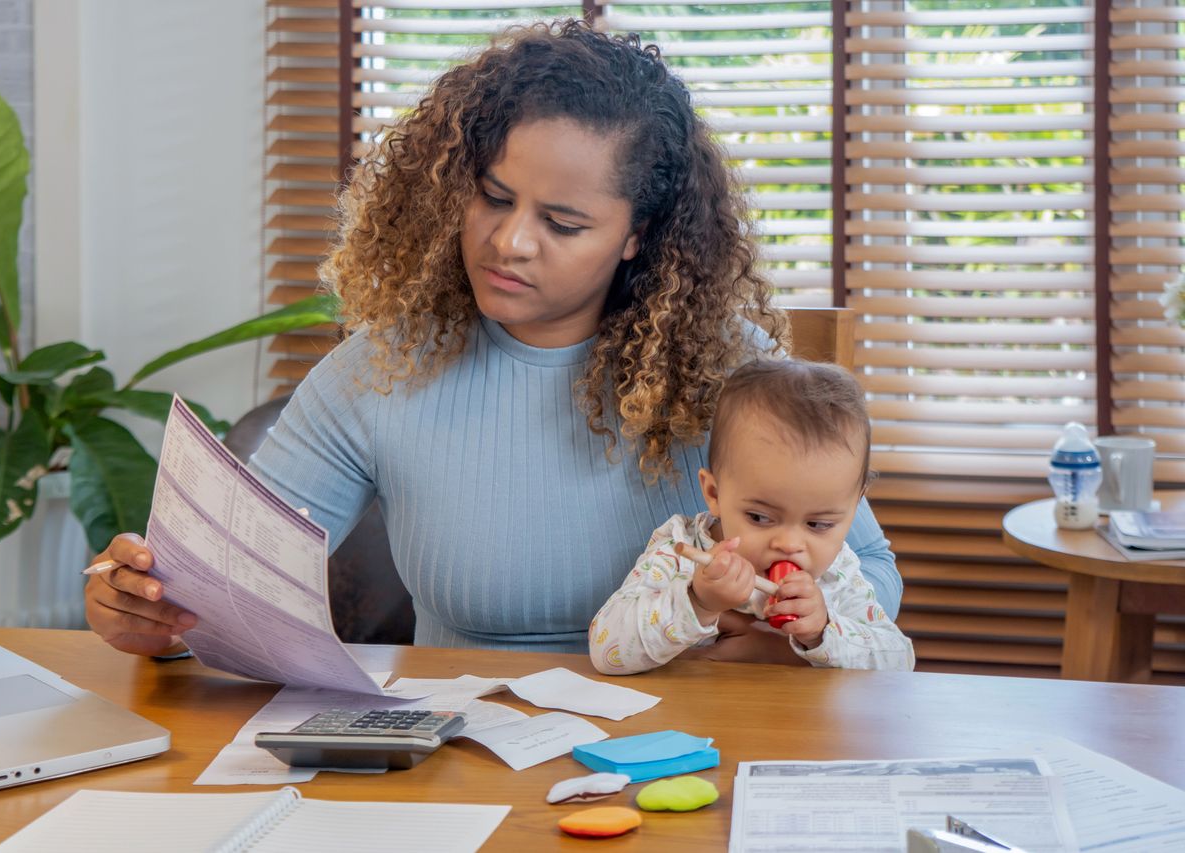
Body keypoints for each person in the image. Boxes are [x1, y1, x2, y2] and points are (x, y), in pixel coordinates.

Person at [84, 19, 902, 660]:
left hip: (695, 739)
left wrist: (776, 632)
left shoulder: (733, 367)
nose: (509, 242)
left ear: (636, 234)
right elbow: (224, 586)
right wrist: (149, 610)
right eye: (493, 197)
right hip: (466, 753)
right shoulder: (380, 369)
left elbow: (875, 584)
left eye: (562, 222)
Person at [590, 358, 914, 674]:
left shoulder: (837, 574)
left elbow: (899, 662)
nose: (788, 544)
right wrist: (698, 601)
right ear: (714, 494)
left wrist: (823, 630)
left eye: (818, 524)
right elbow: (607, 653)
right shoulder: (680, 552)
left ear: (855, 507)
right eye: (759, 517)